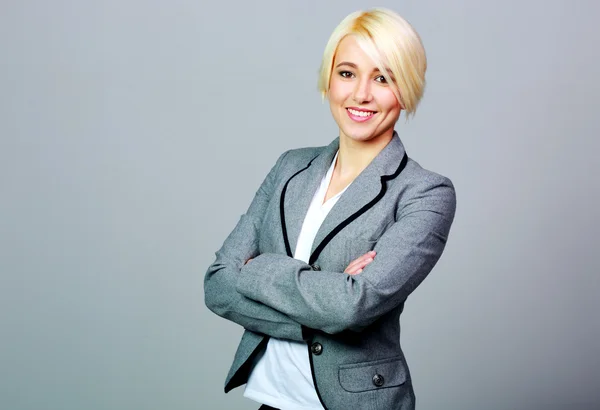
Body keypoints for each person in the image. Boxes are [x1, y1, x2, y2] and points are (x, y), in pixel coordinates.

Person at [204, 8, 456, 410]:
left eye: (383, 77)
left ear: (405, 88)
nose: (361, 94)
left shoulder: (425, 193)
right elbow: (217, 285)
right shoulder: (290, 166)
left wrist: (256, 268)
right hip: (274, 402)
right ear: (328, 79)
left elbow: (353, 306)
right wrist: (329, 296)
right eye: (347, 73)